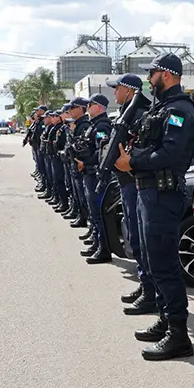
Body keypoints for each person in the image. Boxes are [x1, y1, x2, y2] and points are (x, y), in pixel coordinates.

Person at [115, 53, 194, 360]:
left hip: (164, 196)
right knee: (153, 260)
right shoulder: (160, 108)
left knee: (164, 264)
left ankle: (179, 335)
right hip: (148, 192)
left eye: (152, 74)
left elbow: (170, 155)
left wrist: (132, 162)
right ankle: (166, 321)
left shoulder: (180, 110)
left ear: (167, 74)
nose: (149, 80)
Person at [108, 74, 156, 308]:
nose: (114, 93)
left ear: (128, 90)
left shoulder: (139, 113)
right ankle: (145, 284)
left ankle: (150, 291)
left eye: (117, 88)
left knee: (140, 239)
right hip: (127, 181)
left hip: (135, 181)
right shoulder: (128, 111)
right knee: (135, 237)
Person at [79, 94, 114, 263]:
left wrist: (85, 163)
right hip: (89, 172)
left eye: (90, 105)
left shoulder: (102, 126)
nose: (87, 108)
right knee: (93, 210)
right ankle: (97, 242)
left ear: (98, 107)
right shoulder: (94, 125)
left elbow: (101, 152)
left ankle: (104, 248)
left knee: (98, 211)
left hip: (95, 174)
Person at [65, 97, 91, 230]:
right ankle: (82, 217)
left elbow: (86, 148)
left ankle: (88, 223)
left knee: (86, 199)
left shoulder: (84, 125)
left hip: (83, 166)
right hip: (75, 164)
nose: (69, 111)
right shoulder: (78, 124)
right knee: (79, 195)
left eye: (72, 108)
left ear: (81, 108)